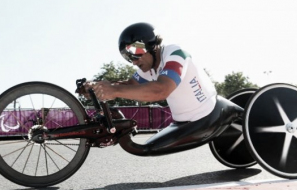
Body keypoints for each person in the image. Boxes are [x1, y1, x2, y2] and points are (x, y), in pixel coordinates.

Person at [81, 22, 243, 155]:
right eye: (127, 57)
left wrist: (114, 91)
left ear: (152, 45)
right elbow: (129, 86)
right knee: (143, 148)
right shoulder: (149, 67)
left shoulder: (176, 54)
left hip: (207, 117)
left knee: (143, 149)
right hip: (181, 123)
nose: (134, 61)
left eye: (135, 53)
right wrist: (98, 88)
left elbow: (161, 90)